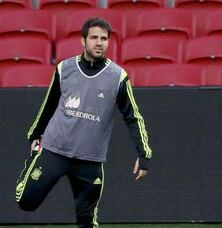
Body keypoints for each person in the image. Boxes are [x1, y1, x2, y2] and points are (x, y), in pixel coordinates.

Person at [15, 17, 152, 228]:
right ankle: (35, 158)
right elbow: (49, 105)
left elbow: (133, 116)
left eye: (104, 38)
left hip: (90, 161)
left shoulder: (118, 76)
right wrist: (35, 134)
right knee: (26, 202)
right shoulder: (64, 68)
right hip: (54, 151)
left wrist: (144, 154)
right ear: (83, 40)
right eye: (94, 38)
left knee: (86, 221)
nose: (99, 43)